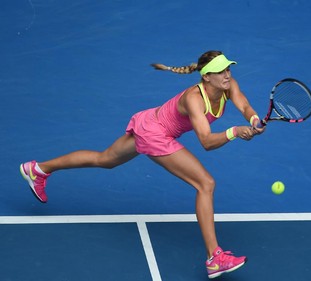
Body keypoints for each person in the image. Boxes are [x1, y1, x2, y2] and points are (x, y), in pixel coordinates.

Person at [20, 50, 265, 279]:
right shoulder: (194, 98)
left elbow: (243, 104)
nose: (227, 74)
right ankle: (214, 257)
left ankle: (38, 169)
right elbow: (207, 142)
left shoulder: (228, 86)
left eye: (228, 69)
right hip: (156, 135)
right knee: (205, 183)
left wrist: (253, 119)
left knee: (104, 159)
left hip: (150, 120)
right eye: (221, 71)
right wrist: (234, 132)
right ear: (207, 76)